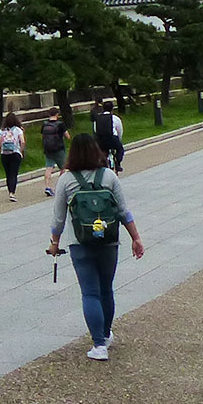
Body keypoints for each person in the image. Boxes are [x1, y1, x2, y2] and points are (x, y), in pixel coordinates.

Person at [48, 131, 146, 361]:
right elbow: (123, 211)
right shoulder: (109, 176)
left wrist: (54, 243)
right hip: (109, 241)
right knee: (106, 289)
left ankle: (98, 344)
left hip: (80, 243)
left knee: (90, 292)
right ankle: (106, 333)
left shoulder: (66, 179)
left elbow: (58, 219)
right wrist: (136, 237)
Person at [0, 113, 26, 199]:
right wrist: (21, 151)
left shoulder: (1, 131)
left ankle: (9, 190)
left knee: (8, 173)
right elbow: (22, 142)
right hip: (15, 153)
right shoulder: (18, 130)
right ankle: (12, 192)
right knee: (14, 173)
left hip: (4, 154)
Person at [40, 107, 69, 195]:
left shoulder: (44, 124)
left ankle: (47, 187)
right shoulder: (60, 124)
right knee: (63, 168)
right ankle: (60, 186)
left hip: (48, 149)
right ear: (57, 114)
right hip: (59, 148)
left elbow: (42, 136)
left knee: (49, 168)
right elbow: (68, 136)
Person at [94, 100, 126, 171]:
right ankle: (117, 164)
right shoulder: (115, 118)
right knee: (120, 150)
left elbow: (95, 130)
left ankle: (102, 164)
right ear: (112, 109)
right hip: (112, 138)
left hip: (100, 140)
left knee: (102, 152)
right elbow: (119, 130)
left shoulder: (98, 118)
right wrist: (119, 139)